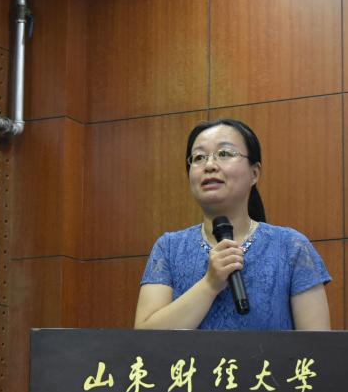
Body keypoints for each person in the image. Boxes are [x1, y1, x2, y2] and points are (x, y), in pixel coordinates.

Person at [134, 118, 331, 331]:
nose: (210, 165)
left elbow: (317, 347)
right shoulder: (169, 248)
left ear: (254, 173)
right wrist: (209, 285)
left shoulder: (291, 247)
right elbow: (145, 340)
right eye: (199, 157)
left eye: (225, 153)